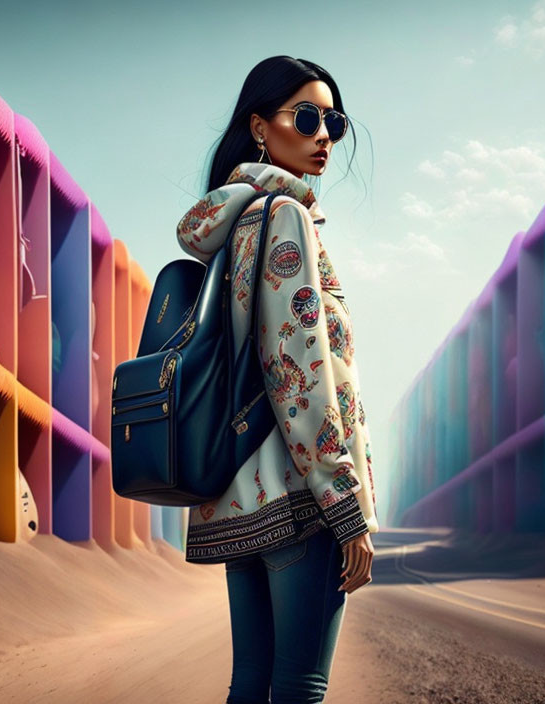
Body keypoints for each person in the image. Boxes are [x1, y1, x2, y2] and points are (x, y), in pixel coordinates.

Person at [175, 56, 379, 703]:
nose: (325, 136)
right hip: (298, 495)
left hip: (236, 488)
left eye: (335, 122)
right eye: (308, 117)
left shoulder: (233, 225)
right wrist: (344, 506)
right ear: (261, 127)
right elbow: (298, 373)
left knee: (252, 686)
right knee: (300, 688)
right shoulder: (284, 220)